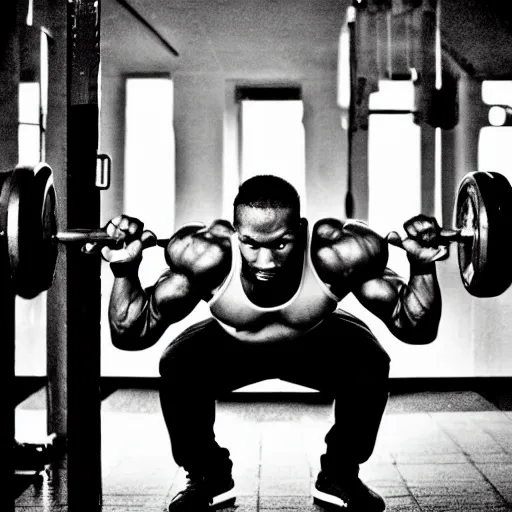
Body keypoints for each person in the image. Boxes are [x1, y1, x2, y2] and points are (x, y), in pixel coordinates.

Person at [102, 175, 447, 512]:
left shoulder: (338, 253)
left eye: (281, 244)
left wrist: (421, 267)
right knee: (178, 364)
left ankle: (340, 475)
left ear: (301, 228)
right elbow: (131, 333)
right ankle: (208, 476)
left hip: (316, 342)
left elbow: (416, 328)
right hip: (233, 344)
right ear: (236, 234)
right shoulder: (206, 256)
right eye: (251, 244)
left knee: (370, 361)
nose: (265, 262)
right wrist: (125, 269)